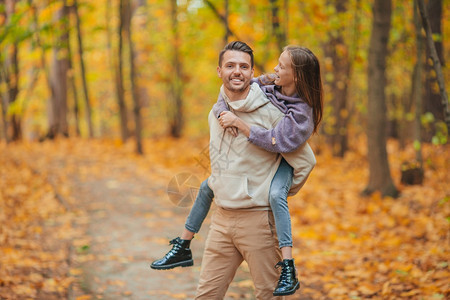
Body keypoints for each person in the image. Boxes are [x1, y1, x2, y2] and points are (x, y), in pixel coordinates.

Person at [151, 42, 323, 298]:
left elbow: (306, 161)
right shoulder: (216, 112)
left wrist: (274, 191)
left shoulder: (273, 113)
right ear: (219, 71)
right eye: (230, 66)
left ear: (252, 73)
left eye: (244, 66)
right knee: (205, 295)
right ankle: (183, 245)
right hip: (221, 221)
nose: (237, 72)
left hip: (258, 223)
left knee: (268, 296)